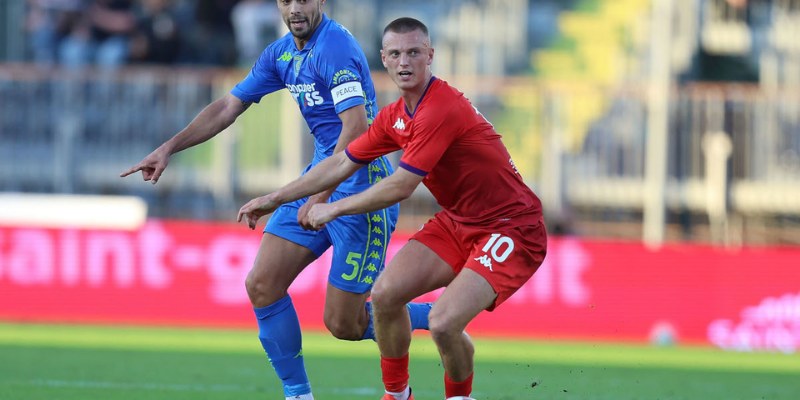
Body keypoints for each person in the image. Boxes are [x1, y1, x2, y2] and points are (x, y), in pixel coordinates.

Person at [120, 3, 432, 399]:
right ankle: (298, 395)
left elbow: (356, 131)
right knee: (262, 284)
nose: (296, 8)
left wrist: (319, 199)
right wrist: (169, 148)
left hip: (361, 195)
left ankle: (434, 315)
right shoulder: (281, 53)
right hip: (317, 181)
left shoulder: (334, 47)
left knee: (344, 325)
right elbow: (228, 106)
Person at [237, 17, 547, 400]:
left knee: (443, 323)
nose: (405, 62)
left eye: (414, 52)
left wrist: (333, 208)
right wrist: (276, 198)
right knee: (384, 295)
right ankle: (398, 395)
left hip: (511, 227)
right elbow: (340, 163)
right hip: (458, 221)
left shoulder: (440, 108)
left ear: (430, 56)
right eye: (396, 53)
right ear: (383, 59)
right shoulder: (394, 117)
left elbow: (401, 185)